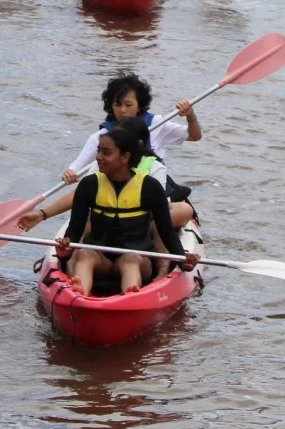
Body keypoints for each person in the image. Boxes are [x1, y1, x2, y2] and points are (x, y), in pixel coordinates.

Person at [21, 74, 200, 230]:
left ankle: (148, 233)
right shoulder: (101, 138)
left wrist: (190, 115)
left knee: (182, 210)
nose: (122, 110)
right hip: (112, 198)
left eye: (128, 104)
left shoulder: (155, 137)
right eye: (117, 104)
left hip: (149, 197)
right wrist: (69, 175)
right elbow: (76, 174)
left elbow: (194, 136)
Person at [54, 120, 199, 294]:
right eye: (99, 151)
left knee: (130, 259)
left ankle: (130, 292)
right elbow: (75, 229)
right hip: (100, 258)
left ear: (125, 157)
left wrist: (182, 259)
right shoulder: (89, 184)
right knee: (85, 254)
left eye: (106, 153)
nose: (98, 157)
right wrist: (65, 250)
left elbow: (167, 232)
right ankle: (79, 292)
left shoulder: (149, 187)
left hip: (138, 258)